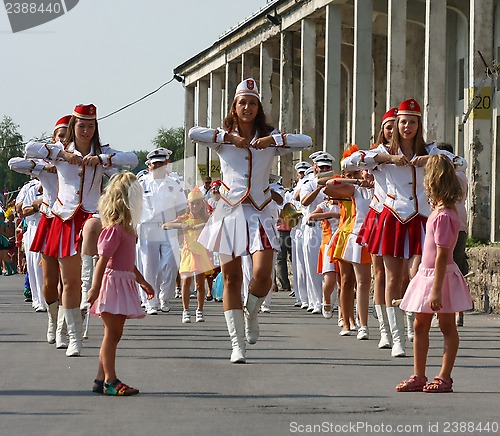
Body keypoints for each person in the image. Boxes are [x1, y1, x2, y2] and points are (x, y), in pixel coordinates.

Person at [189, 78, 312, 363]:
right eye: (242, 103)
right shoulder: (223, 138)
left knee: (262, 274)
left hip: (260, 211)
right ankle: (237, 344)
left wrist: (273, 140)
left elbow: (306, 141)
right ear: (234, 107)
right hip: (229, 211)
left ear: (259, 108)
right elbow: (194, 132)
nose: (247, 108)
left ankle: (252, 312)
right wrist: (229, 138)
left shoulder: (269, 139)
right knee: (231, 278)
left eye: (252, 103)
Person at [350, 99, 465, 357]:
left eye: (412, 121)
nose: (407, 127)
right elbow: (351, 162)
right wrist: (387, 157)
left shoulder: (432, 150)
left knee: (415, 275)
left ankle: (414, 325)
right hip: (393, 217)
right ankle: (396, 337)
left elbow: (461, 162)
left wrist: (431, 158)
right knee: (391, 277)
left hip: (423, 219)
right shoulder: (382, 153)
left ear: (419, 125)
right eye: (402, 122)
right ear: (395, 124)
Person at [25, 104, 139, 357]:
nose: (85, 131)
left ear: (96, 128)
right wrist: (63, 156)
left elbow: (132, 159)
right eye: (81, 126)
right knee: (67, 281)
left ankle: (83, 304)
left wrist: (102, 160)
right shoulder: (59, 150)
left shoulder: (103, 152)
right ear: (73, 127)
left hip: (91, 216)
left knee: (85, 258)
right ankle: (70, 334)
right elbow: (27, 149)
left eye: (90, 126)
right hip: (64, 218)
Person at [396, 154, 472, 393]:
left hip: (440, 277)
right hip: (427, 275)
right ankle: (419, 374)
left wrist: (437, 290)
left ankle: (444, 376)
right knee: (420, 324)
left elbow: (442, 254)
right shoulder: (438, 213)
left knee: (447, 325)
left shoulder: (445, 217)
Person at [87, 172, 154, 396]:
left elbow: (129, 262)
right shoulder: (114, 230)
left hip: (123, 282)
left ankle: (100, 378)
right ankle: (110, 380)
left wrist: (142, 280)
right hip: (112, 284)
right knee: (112, 334)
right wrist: (95, 289)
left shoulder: (128, 230)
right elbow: (102, 261)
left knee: (113, 333)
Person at [137, 147, 186, 315]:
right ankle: (151, 301)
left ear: (167, 164)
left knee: (171, 265)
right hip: (148, 227)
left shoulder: (174, 184)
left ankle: (165, 297)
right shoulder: (142, 183)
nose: (158, 167)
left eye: (161, 164)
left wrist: (180, 230)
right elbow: (133, 207)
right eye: (155, 164)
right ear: (149, 165)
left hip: (169, 226)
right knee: (149, 266)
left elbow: (181, 208)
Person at [162, 186, 213, 323]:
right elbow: (165, 225)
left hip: (201, 253)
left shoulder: (206, 218)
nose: (195, 206)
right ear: (188, 205)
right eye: (192, 203)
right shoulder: (184, 218)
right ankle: (185, 310)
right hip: (187, 253)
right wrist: (181, 226)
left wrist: (202, 226)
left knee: (200, 284)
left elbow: (215, 222)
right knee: (186, 282)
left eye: (197, 203)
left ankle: (200, 310)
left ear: (202, 204)